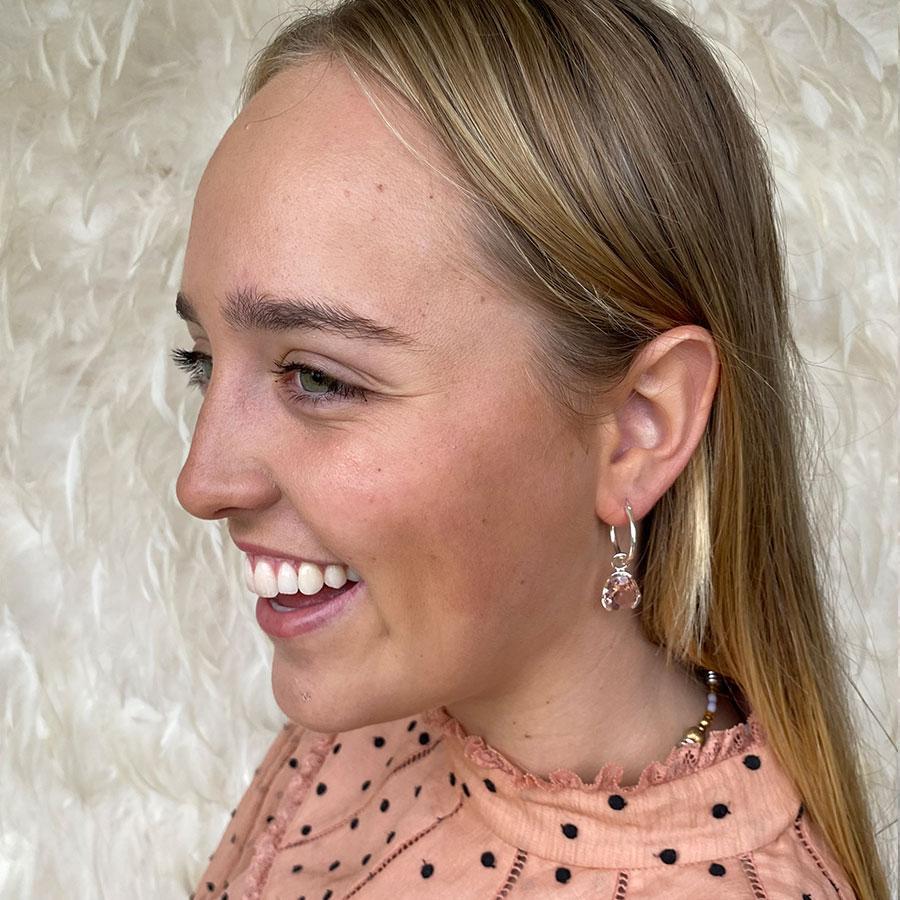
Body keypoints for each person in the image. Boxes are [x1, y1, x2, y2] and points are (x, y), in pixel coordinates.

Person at [172, 1, 889, 897]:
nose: (201, 482)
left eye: (317, 378)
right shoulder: (366, 725)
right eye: (201, 361)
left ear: (641, 428)